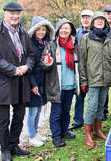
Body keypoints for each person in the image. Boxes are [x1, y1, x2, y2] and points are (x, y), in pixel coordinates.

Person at [0, 2, 34, 161]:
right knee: (4, 118)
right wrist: (12, 69)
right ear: (5, 13)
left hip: (21, 81)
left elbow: (31, 55)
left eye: (18, 13)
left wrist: (27, 66)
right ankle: (5, 149)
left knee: (19, 115)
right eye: (11, 13)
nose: (15, 16)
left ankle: (14, 144)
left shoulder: (24, 33)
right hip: (3, 82)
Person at [79, 11, 111, 148]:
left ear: (105, 23)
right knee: (91, 106)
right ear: (93, 22)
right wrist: (83, 81)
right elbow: (82, 61)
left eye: (102, 20)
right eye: (97, 20)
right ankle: (87, 134)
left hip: (107, 77)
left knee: (101, 105)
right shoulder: (86, 38)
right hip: (93, 78)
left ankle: (97, 130)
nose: (99, 22)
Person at [42, 18, 77, 147]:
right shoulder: (51, 45)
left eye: (66, 28)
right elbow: (44, 65)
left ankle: (64, 131)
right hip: (57, 85)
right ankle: (56, 136)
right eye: (62, 28)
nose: (64, 30)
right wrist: (46, 62)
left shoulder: (74, 45)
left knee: (66, 110)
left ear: (70, 31)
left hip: (70, 83)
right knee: (56, 112)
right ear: (58, 30)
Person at [26, 16, 55, 147]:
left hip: (43, 80)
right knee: (32, 111)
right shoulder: (30, 44)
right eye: (38, 30)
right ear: (34, 30)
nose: (41, 32)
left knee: (38, 109)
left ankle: (36, 133)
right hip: (33, 81)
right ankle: (31, 136)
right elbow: (28, 66)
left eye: (43, 30)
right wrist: (33, 85)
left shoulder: (46, 43)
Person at [69, 9, 94, 131]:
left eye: (88, 17)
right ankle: (78, 120)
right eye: (83, 17)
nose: (85, 20)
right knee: (80, 95)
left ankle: (93, 120)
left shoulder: (95, 32)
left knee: (94, 96)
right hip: (80, 68)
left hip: (93, 68)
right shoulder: (76, 33)